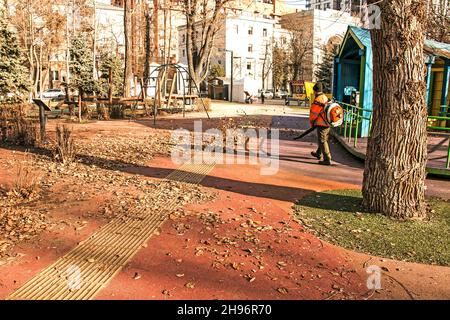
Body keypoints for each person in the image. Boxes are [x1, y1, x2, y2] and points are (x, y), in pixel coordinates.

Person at [309, 82, 332, 166]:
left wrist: (312, 123)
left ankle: (327, 159)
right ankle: (319, 153)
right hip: (328, 122)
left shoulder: (317, 100)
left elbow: (313, 114)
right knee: (323, 139)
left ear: (315, 91)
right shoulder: (325, 97)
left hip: (322, 123)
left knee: (322, 140)